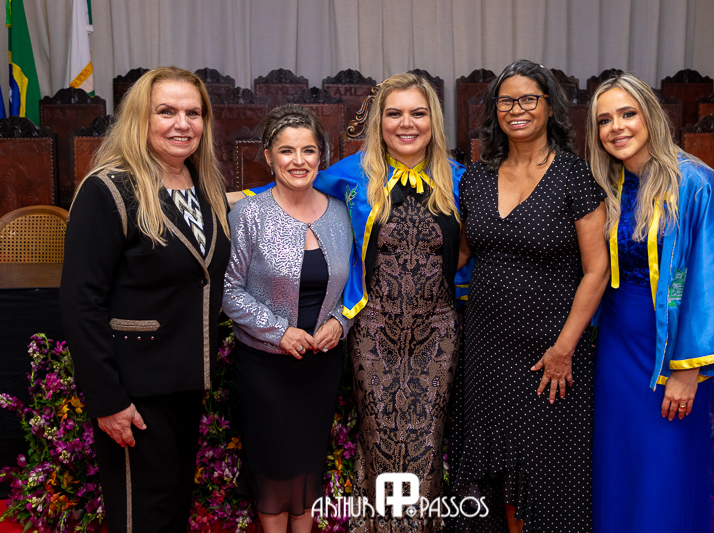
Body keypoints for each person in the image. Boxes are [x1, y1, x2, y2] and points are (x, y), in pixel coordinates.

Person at [60, 66, 231, 532]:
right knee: (143, 520)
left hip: (186, 385)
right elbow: (81, 301)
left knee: (172, 513)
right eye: (167, 111)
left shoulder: (206, 187)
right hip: (134, 390)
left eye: (193, 113)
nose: (183, 124)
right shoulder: (108, 189)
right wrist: (107, 399)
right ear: (141, 118)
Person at [586, 73, 714, 533]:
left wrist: (688, 371)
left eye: (627, 114)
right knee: (621, 460)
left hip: (672, 344)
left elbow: (708, 284)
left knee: (666, 464)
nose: (616, 127)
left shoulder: (698, 184)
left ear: (651, 116)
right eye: (605, 120)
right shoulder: (607, 183)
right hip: (617, 343)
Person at [452, 60, 608, 533]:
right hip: (486, 346)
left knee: (543, 471)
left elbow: (597, 270)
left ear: (550, 107)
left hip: (549, 350)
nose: (516, 109)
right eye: (506, 101)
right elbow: (462, 253)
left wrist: (564, 349)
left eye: (528, 99)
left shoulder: (574, 176)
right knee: (492, 473)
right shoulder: (477, 177)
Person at [312, 72, 467, 532]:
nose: (406, 123)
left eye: (418, 113)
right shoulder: (352, 173)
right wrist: (225, 199)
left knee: (426, 442)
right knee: (378, 440)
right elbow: (291, 189)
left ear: (433, 121)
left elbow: (481, 242)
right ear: (379, 122)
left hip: (437, 334)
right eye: (394, 114)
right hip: (375, 333)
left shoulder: (459, 179)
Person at [222, 104, 353, 533]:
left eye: (308, 150)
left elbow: (356, 284)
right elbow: (228, 291)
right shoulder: (249, 214)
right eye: (287, 151)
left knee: (309, 461)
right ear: (268, 156)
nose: (299, 160)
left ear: (321, 156)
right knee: (273, 466)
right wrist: (279, 332)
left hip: (322, 365)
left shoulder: (341, 213)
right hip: (266, 368)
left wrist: (341, 322)